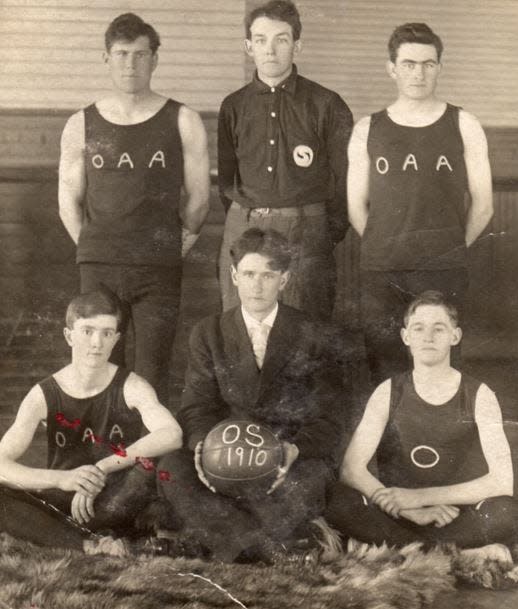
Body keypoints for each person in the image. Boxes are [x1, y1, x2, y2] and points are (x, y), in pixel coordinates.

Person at [158, 228, 347, 562]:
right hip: (223, 460)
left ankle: (224, 541)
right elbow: (196, 406)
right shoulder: (209, 332)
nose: (257, 286)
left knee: (314, 479)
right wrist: (204, 450)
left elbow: (329, 417)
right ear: (234, 276)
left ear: (285, 279)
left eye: (268, 275)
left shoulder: (313, 333)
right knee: (172, 468)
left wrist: (293, 451)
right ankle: (271, 546)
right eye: (248, 274)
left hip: (286, 462)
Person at [59, 13, 210, 405]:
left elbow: (198, 199)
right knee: (97, 366)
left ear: (155, 59)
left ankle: (145, 461)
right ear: (106, 58)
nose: (131, 64)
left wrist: (173, 249)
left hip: (158, 267)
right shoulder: (81, 123)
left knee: (152, 372)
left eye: (140, 55)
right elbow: (67, 201)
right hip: (99, 265)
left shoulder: (183, 119)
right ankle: (103, 457)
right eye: (122, 54)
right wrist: (95, 246)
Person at [348, 23, 493, 384]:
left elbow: (485, 205)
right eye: (409, 63)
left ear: (439, 67)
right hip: (383, 272)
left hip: (442, 270)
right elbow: (355, 207)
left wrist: (447, 250)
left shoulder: (464, 123)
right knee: (384, 369)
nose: (419, 72)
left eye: (429, 64)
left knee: (441, 369)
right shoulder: (368, 128)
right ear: (392, 68)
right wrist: (390, 248)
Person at [326, 291, 518, 556]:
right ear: (406, 336)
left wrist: (421, 497)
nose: (428, 336)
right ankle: (459, 555)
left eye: (439, 328)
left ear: (455, 336)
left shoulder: (479, 394)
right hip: (400, 515)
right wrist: (407, 508)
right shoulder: (389, 391)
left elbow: (502, 481)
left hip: (455, 518)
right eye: (419, 328)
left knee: (505, 511)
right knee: (335, 497)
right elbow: (351, 469)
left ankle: (398, 551)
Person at [0, 290, 183, 554]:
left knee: (160, 465)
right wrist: (63, 479)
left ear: (116, 339)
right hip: (63, 502)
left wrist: (103, 467)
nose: (97, 343)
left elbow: (172, 434)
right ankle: (88, 544)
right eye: (87, 331)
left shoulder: (131, 385)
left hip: (115, 498)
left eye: (107, 333)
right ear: (69, 335)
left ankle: (73, 538)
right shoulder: (43, 394)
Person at [218, 0, 353, 320]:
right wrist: (249, 218)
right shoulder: (233, 106)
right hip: (245, 227)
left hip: (306, 233)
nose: (271, 49)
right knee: (242, 332)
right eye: (261, 40)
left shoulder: (327, 104)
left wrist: (320, 232)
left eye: (281, 39)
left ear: (297, 45)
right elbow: (227, 180)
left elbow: (344, 181)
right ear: (248, 46)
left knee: (306, 334)